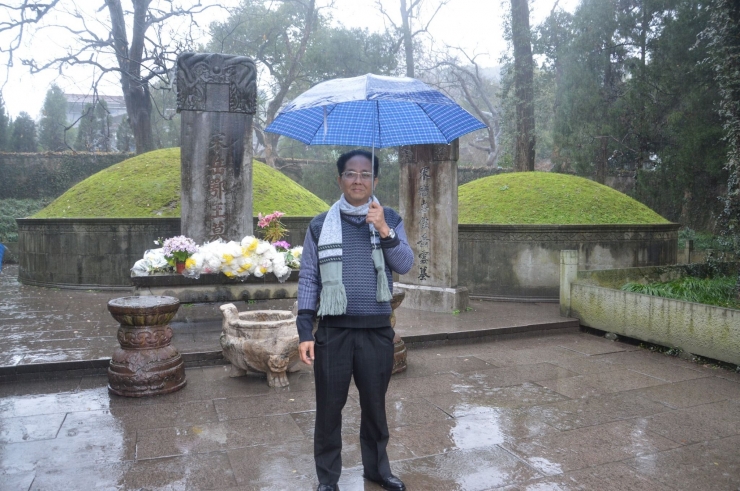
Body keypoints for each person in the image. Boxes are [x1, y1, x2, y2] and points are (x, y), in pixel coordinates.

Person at [297, 149, 414, 491]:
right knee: (329, 409)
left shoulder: (388, 216)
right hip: (333, 331)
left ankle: (377, 470)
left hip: (377, 330)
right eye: (351, 173)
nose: (358, 179)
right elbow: (308, 279)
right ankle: (328, 479)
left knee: (375, 408)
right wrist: (305, 330)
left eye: (365, 174)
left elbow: (405, 264)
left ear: (376, 180)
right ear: (340, 179)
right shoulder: (320, 225)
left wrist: (384, 229)